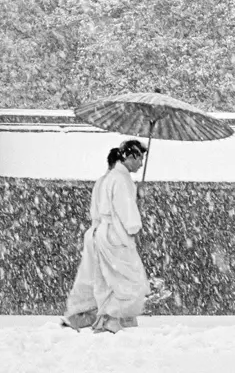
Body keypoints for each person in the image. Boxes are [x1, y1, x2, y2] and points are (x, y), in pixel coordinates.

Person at [63, 139, 151, 333]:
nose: (141, 163)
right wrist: (135, 226)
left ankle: (86, 314)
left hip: (100, 230)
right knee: (129, 280)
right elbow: (126, 210)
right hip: (114, 234)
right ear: (130, 156)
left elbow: (97, 209)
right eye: (139, 158)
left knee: (102, 278)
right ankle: (111, 318)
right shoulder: (121, 179)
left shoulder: (106, 179)